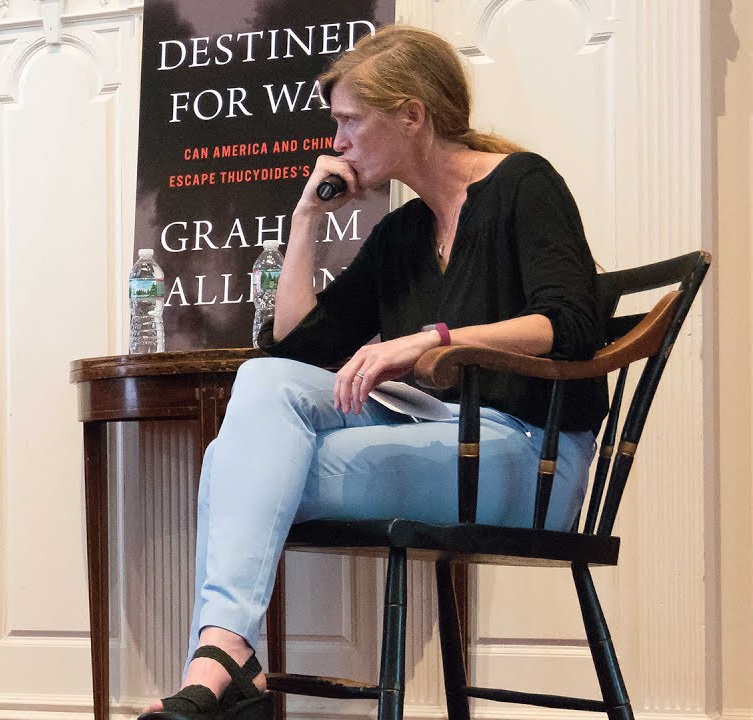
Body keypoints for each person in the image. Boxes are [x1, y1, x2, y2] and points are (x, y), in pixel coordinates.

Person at [140, 25, 607, 720]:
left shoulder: (524, 185)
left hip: (530, 455)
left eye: (351, 120)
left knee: (230, 467)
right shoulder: (403, 232)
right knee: (262, 387)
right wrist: (305, 218)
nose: (338, 141)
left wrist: (430, 340)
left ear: (411, 114)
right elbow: (295, 352)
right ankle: (224, 652)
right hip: (443, 436)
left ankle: (223, 665)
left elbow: (570, 325)